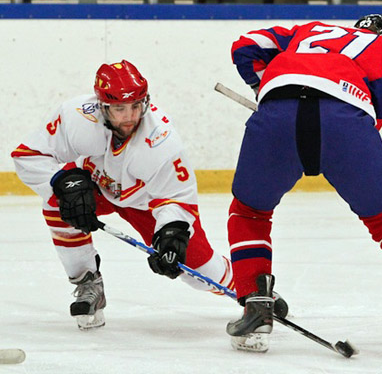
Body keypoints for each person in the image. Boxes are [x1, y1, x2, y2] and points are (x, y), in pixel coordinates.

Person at [225, 14, 382, 354]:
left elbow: (246, 46)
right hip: (345, 124)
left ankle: (257, 305)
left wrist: (267, 89)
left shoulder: (309, 30)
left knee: (249, 213)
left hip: (277, 114)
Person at [11, 60, 237, 330]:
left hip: (146, 203)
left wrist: (171, 233)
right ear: (102, 105)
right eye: (119, 108)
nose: (130, 116)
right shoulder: (76, 117)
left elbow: (177, 196)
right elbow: (28, 156)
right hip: (95, 184)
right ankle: (87, 283)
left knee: (198, 271)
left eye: (136, 105)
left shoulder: (161, 140)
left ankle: (252, 291)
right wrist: (61, 179)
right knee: (58, 205)